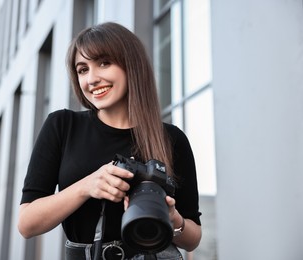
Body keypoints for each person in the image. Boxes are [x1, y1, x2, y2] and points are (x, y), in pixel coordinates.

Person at [18, 22, 202, 260]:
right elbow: (27, 224)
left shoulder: (171, 138)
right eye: (82, 69)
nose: (92, 79)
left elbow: (193, 238)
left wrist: (172, 218)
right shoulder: (62, 125)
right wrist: (88, 185)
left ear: (131, 66)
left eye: (104, 63)